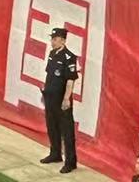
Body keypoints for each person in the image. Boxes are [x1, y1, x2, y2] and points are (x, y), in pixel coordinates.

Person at [39, 26, 81, 172]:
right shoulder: (52, 54)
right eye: (52, 39)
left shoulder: (69, 57)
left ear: (63, 41)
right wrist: (45, 91)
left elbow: (70, 80)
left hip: (61, 99)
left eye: (55, 39)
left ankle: (71, 162)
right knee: (52, 127)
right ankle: (55, 153)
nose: (52, 42)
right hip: (50, 97)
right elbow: (49, 74)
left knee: (67, 131)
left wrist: (66, 99)